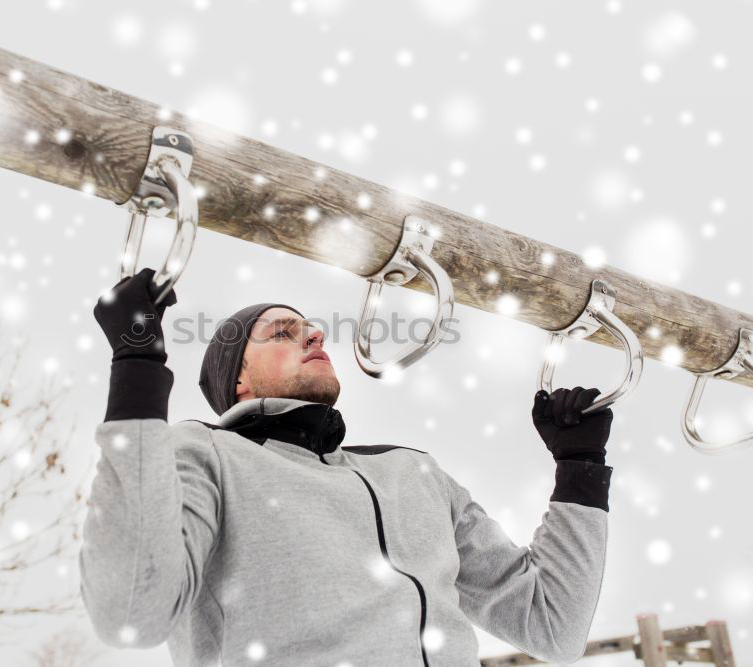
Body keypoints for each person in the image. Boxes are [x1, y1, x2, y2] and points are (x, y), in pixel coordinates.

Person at [80, 267, 615, 666]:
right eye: (282, 333)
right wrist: (137, 366)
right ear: (237, 380)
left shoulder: (413, 476)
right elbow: (132, 611)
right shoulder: (207, 455)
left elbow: (552, 624)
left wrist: (579, 467)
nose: (314, 335)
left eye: (311, 329)